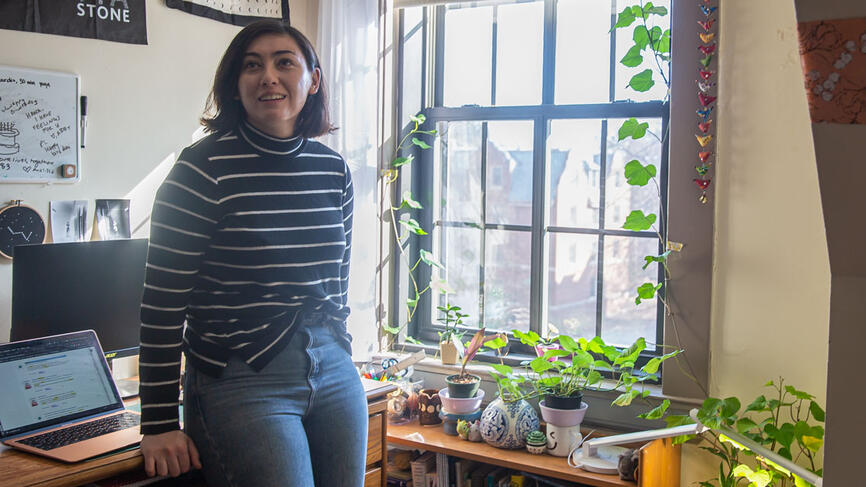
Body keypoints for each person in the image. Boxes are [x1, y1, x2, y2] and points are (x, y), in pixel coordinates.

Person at [137, 20, 366, 486]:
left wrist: (340, 349)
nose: (268, 77)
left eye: (285, 62)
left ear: (313, 80)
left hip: (334, 370)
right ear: (235, 84)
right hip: (241, 378)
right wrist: (158, 423)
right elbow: (162, 303)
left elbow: (336, 280)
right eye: (251, 65)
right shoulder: (201, 170)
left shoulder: (333, 169)